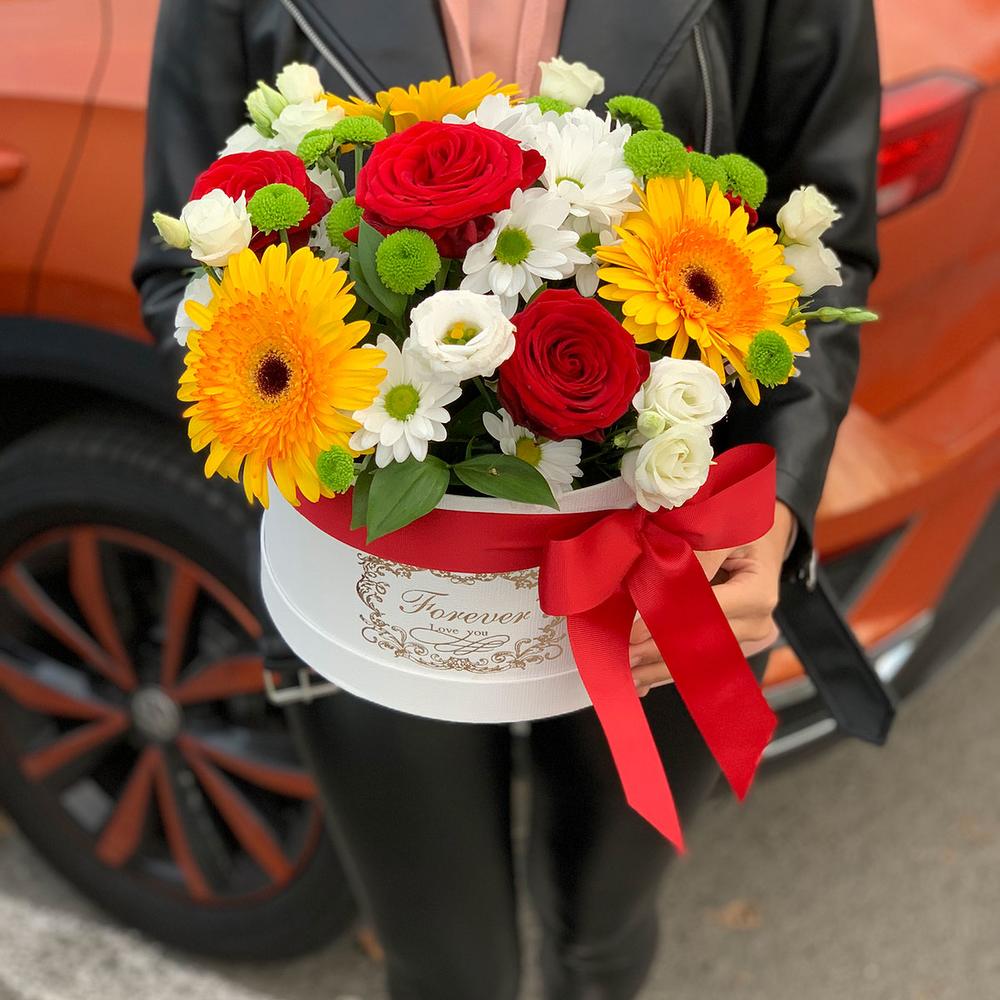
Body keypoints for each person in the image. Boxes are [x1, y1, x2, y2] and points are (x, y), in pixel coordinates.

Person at [133, 2, 880, 997]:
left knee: (602, 933)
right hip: (376, 571)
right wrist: (298, 409)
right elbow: (178, 272)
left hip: (658, 564)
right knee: (447, 965)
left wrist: (772, 508)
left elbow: (820, 261)